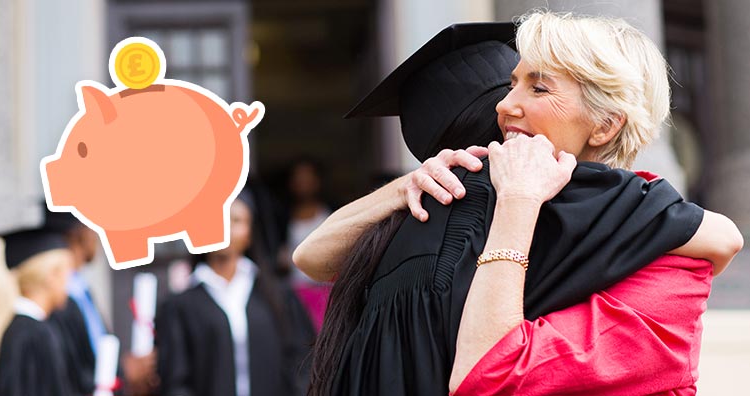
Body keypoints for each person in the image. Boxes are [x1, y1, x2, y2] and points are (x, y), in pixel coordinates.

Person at [296, 15, 743, 396]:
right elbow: (310, 257)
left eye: (539, 88)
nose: (505, 105)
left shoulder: (646, 243)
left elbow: (491, 373)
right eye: (512, 83)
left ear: (605, 125)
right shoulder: (438, 202)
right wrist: (406, 186)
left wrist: (519, 200)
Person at [155, 189, 315, 396]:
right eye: (217, 219)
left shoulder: (278, 297)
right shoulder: (179, 306)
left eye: (236, 220)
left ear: (250, 234)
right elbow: (175, 382)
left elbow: (302, 364)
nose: (225, 228)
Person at [46, 210, 158, 396]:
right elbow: (69, 371)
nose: (98, 236)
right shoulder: (60, 303)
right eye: (94, 228)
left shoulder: (82, 291)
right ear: (79, 233)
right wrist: (122, 372)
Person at [0, 226, 75, 396]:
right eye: (67, 275)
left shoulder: (28, 329)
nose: (69, 285)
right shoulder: (30, 334)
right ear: (50, 277)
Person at [282, 158, 333, 331]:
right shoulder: (282, 218)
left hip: (324, 290)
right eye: (298, 179)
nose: (303, 184)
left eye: (307, 178)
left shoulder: (329, 215)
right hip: (294, 290)